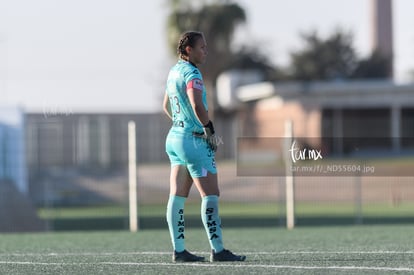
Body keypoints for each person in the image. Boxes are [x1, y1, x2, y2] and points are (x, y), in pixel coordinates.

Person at [163, 31, 246, 263]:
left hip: (175, 138)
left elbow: (165, 105)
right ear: (188, 49)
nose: (205, 51)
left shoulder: (173, 71)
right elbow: (197, 104)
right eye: (202, 47)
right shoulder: (191, 73)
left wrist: (181, 124)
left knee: (177, 196)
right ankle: (218, 251)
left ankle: (179, 251)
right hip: (193, 140)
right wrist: (209, 131)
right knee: (210, 194)